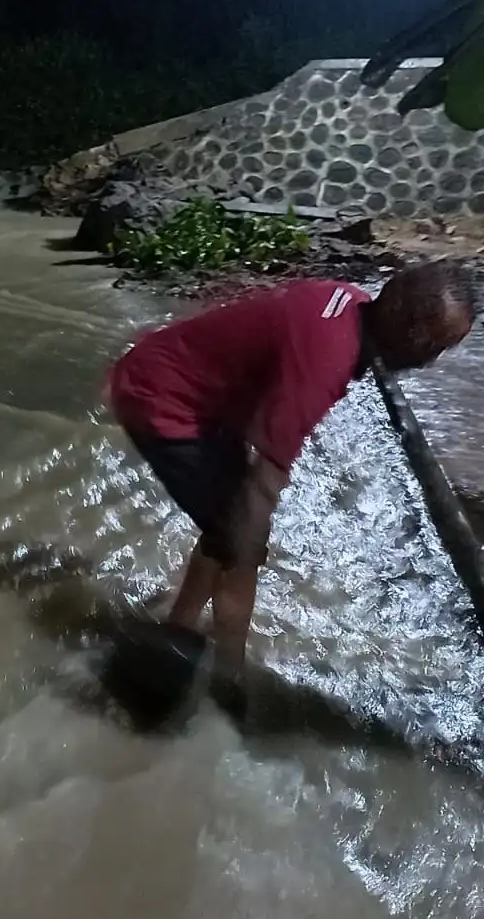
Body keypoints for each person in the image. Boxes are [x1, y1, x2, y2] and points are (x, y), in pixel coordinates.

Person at [108, 262, 475, 705]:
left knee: (225, 523)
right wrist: (246, 544)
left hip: (202, 397)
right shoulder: (326, 358)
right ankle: (229, 681)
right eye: (434, 345)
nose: (431, 361)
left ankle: (181, 626)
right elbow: (265, 483)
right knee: (240, 544)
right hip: (163, 400)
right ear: (409, 327)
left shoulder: (350, 301)